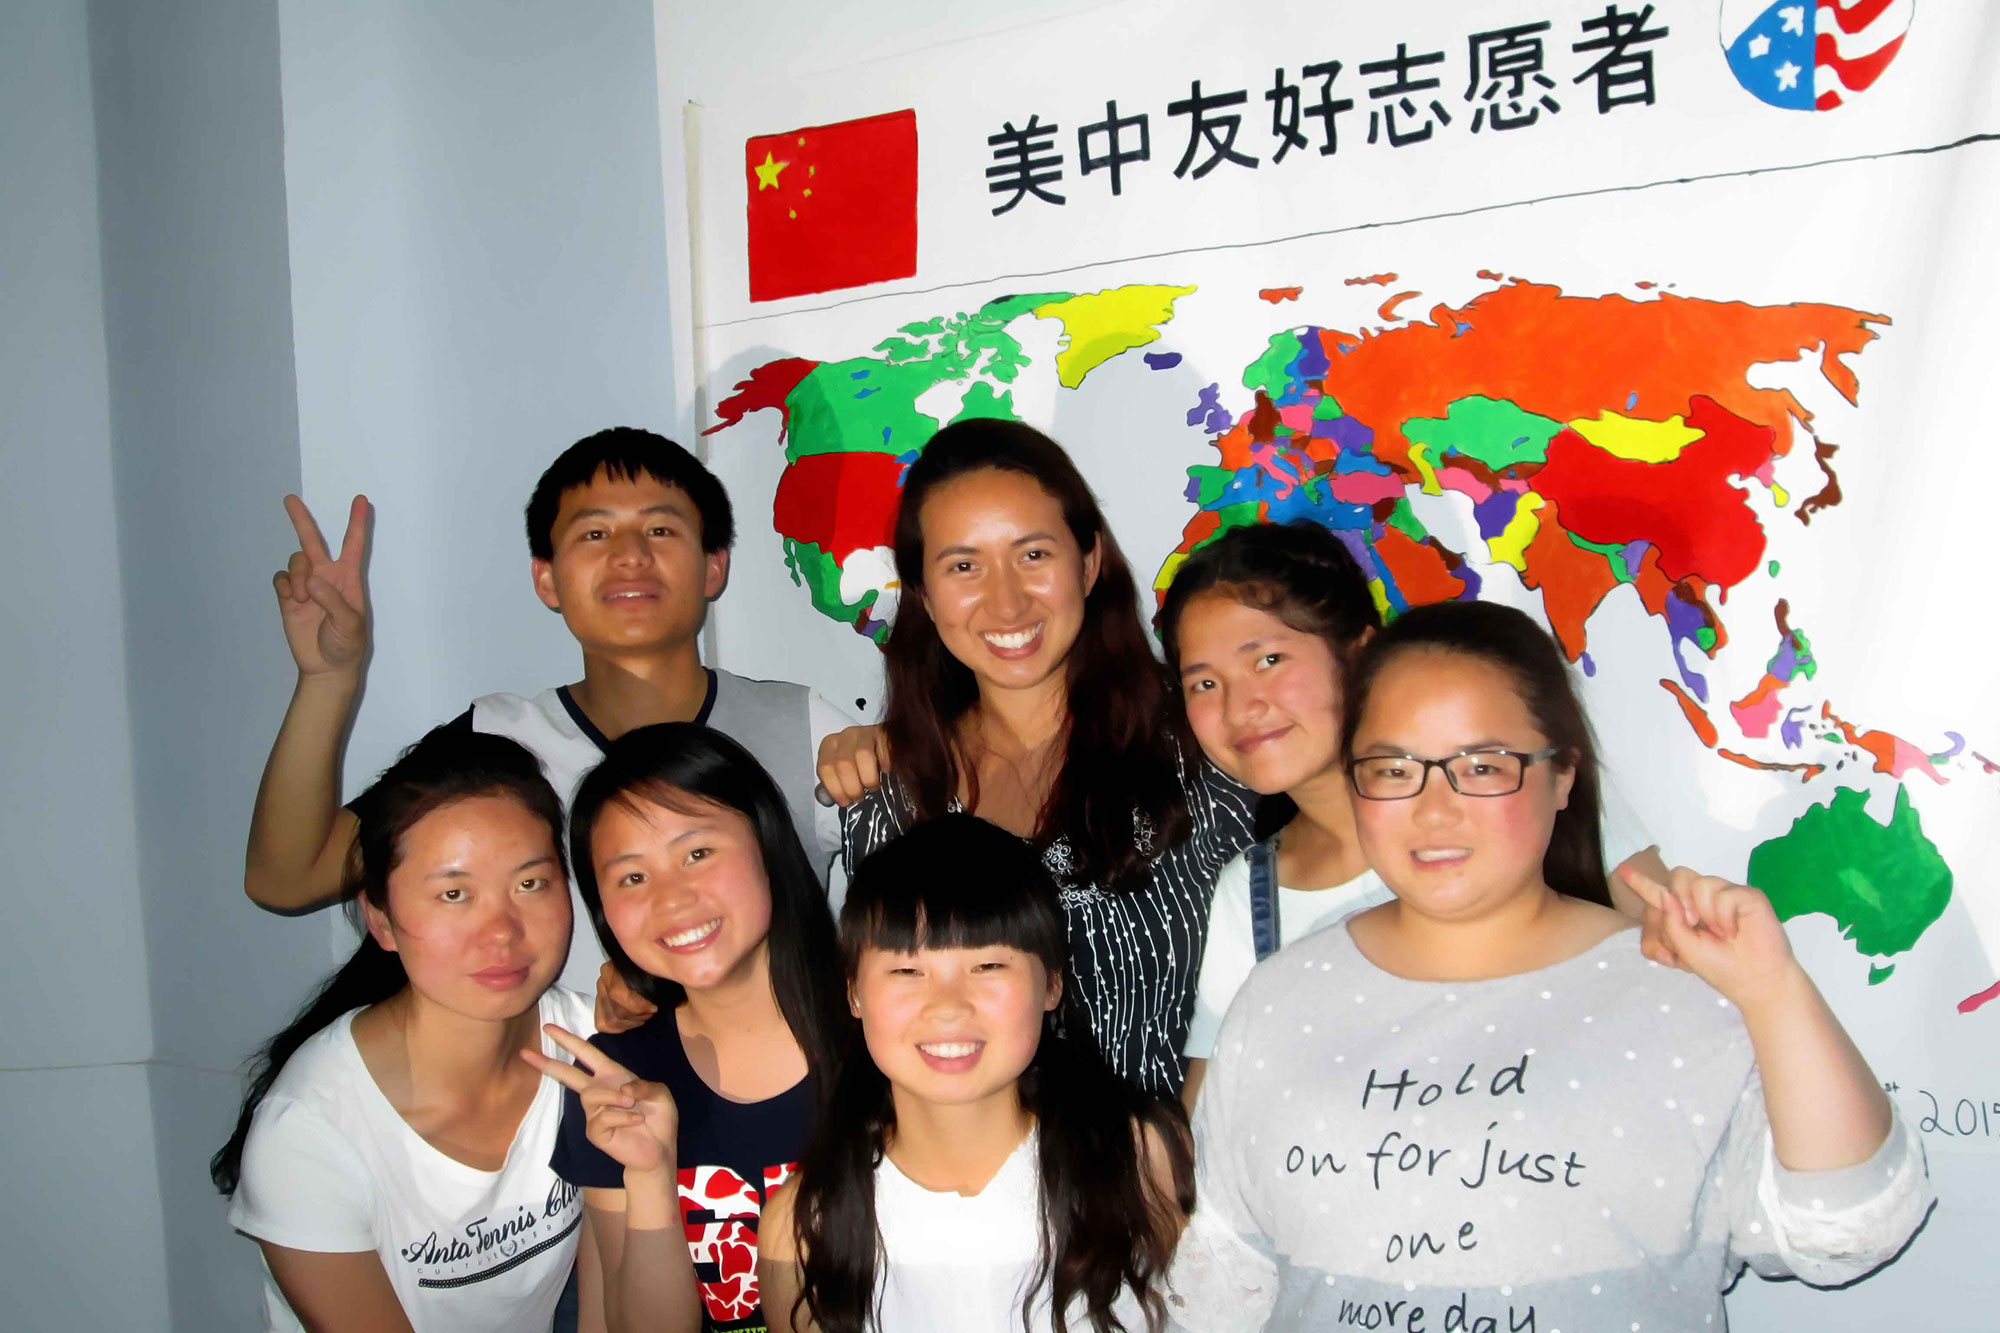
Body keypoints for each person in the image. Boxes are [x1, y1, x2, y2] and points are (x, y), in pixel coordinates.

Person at [1166, 600, 1933, 1331]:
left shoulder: (1676, 991)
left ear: (1563, 773)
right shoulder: (1281, 998)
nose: (1435, 809)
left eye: (1482, 764)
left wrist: (1774, 989)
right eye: (1394, 768)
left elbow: (1848, 1227)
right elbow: (1224, 1284)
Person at [244, 427, 852, 994]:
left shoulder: (804, 727)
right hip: (560, 1101)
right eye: (594, 534)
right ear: (547, 580)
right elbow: (288, 878)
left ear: (713, 565)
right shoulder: (497, 740)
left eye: (661, 530)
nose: (630, 555)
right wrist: (327, 679)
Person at [1157, 521, 1662, 1107]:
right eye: (1204, 683)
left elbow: (1687, 983)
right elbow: (1212, 1117)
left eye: (1269, 659)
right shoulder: (1251, 892)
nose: (1242, 707)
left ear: (1360, 651)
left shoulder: (1514, 794)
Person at [825, 419, 1259, 1096]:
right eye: (964, 566)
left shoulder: (1201, 754)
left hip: (1182, 1181)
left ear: (1087, 564)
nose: (1006, 600)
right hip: (969, 1189)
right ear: (922, 593)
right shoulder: (889, 798)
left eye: (1033, 555)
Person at [215, 728, 598, 1333]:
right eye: (454, 893)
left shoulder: (594, 1043)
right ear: (382, 920)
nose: (501, 931)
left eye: (530, 884)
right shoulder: (313, 1132)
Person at [759, 814, 1194, 1333]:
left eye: (988, 967)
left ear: (1051, 983)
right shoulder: (803, 1225)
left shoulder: (1141, 1158)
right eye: (906, 971)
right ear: (853, 991)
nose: (947, 1006)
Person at [521, 723, 845, 1333]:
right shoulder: (618, 1079)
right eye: (632, 877)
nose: (671, 899)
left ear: (768, 845)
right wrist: (646, 1176)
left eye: (697, 853)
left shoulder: (888, 1040)